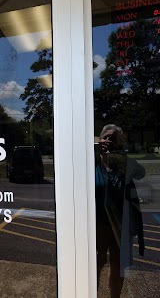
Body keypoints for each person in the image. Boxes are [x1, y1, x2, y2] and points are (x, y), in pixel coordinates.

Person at [95, 124, 145, 298]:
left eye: (113, 138)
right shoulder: (91, 162)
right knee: (95, 263)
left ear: (119, 143)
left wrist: (117, 156)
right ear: (99, 140)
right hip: (96, 225)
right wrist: (97, 154)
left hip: (120, 225)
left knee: (117, 266)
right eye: (105, 137)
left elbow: (141, 172)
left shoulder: (124, 162)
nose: (108, 140)